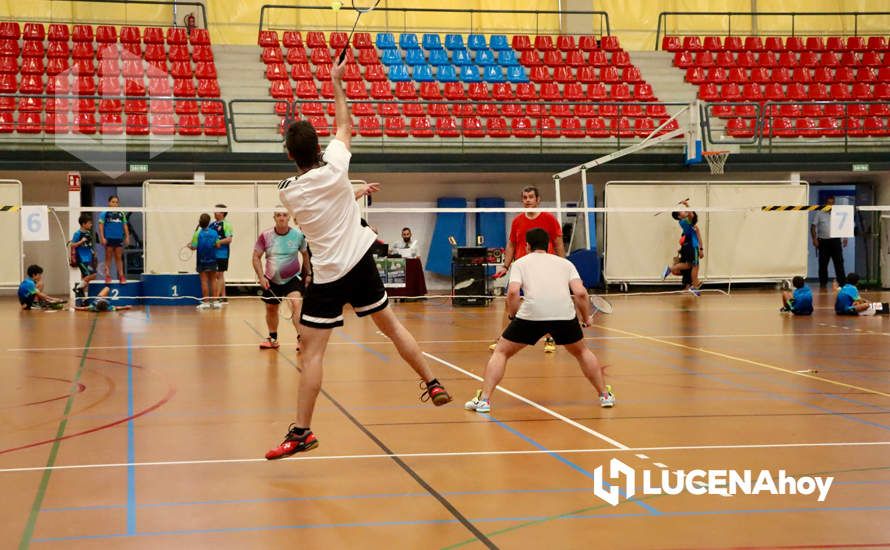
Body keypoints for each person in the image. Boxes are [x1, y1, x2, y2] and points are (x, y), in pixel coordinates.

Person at [266, 55, 452, 460]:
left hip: (329, 275)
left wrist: (352, 193)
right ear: (319, 147)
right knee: (393, 327)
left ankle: (302, 432)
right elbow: (345, 126)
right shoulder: (336, 168)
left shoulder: (288, 192)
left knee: (312, 352)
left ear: (289, 155)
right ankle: (432, 381)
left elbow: (321, 201)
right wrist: (336, 81)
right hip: (362, 264)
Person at [465, 228, 614, 414]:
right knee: (582, 352)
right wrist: (585, 317)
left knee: (501, 352)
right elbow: (581, 293)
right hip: (563, 316)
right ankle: (605, 396)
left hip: (531, 315)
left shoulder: (520, 263)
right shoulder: (565, 264)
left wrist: (512, 315)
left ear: (527, 246)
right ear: (549, 245)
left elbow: (512, 293)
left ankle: (485, 400)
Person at [492, 185, 564, 353]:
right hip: (521, 268)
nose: (528, 200)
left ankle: (549, 338)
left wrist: (563, 266)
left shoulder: (549, 219)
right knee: (509, 300)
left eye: (531, 197)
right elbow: (511, 244)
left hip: (545, 268)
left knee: (546, 304)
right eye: (525, 198)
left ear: (538, 200)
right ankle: (503, 338)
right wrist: (505, 266)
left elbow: (559, 243)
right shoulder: (517, 221)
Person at [253, 208, 310, 350]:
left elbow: (305, 255)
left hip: (292, 278)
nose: (281, 218)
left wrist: (307, 275)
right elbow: (256, 257)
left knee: (296, 305)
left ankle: (301, 338)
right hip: (271, 279)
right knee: (271, 308)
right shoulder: (265, 236)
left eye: (284, 215)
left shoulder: (298, 236)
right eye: (278, 215)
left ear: (289, 218)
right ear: (274, 218)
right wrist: (261, 277)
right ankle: (273, 339)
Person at [663, 203, 703, 295]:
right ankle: (694, 285)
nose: (684, 211)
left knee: (689, 266)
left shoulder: (686, 222)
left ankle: (694, 286)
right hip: (692, 247)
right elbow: (691, 214)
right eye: (682, 211)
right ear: (679, 216)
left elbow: (692, 216)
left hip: (690, 247)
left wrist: (701, 248)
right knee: (695, 266)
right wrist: (687, 205)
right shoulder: (685, 221)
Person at [811, 195, 847, 289]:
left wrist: (845, 237)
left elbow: (843, 225)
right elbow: (813, 227)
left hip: (835, 241)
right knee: (823, 264)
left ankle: (842, 283)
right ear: (826, 203)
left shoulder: (839, 213)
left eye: (832, 203)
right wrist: (814, 239)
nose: (830, 204)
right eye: (828, 203)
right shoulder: (819, 212)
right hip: (823, 242)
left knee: (839, 262)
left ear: (834, 203)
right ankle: (823, 283)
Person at [189, 213, 221, 310]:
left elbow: (194, 247)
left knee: (204, 281)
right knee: (213, 280)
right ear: (209, 222)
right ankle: (215, 302)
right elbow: (218, 245)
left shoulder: (197, 233)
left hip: (201, 261)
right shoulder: (214, 233)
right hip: (212, 259)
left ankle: (206, 303)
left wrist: (190, 246)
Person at [98, 195, 130, 283]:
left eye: (116, 202)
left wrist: (127, 236)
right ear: (109, 203)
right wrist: (102, 237)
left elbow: (125, 225)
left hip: (118, 238)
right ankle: (107, 276)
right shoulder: (104, 213)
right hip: (109, 238)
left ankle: (121, 276)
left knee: (119, 257)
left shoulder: (121, 213)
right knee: (108, 257)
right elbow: (101, 226)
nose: (115, 204)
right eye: (113, 202)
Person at [210, 204, 233, 304]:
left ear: (222, 213)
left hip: (222, 254)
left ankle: (217, 298)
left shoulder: (226, 225)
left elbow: (229, 239)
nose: (214, 212)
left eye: (217, 211)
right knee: (218, 275)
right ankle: (223, 297)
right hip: (212, 254)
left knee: (219, 274)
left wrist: (218, 242)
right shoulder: (211, 224)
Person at [70, 214, 97, 297]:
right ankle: (77, 288)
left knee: (86, 278)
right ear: (83, 224)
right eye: (89, 223)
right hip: (81, 258)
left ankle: (83, 297)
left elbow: (88, 244)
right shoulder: (77, 234)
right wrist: (81, 241)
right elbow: (72, 245)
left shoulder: (88, 233)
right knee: (92, 275)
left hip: (89, 257)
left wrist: (93, 252)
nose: (91, 225)